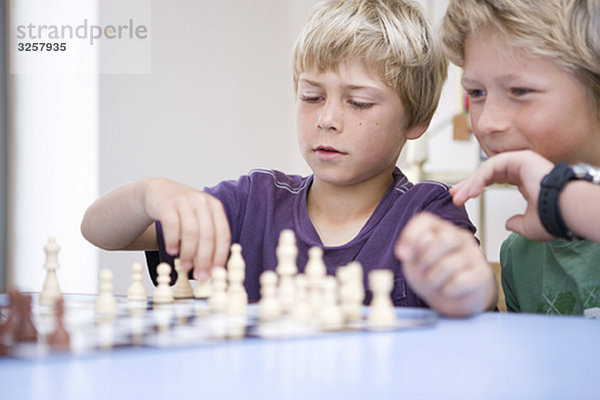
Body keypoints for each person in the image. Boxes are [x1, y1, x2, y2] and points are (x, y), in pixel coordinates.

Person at [81, 0, 497, 317]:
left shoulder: (428, 211)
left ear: (417, 119)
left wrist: (471, 286)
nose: (328, 119)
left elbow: (475, 298)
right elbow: (100, 232)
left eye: (359, 103)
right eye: (311, 96)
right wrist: (149, 194)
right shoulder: (253, 202)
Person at [434, 0, 600, 315]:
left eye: (520, 91)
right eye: (477, 93)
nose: (486, 123)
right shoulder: (519, 256)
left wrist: (561, 200)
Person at [451, 150, 600, 244]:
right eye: (477, 97)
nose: (486, 124)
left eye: (520, 96)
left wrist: (557, 197)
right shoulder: (515, 255)